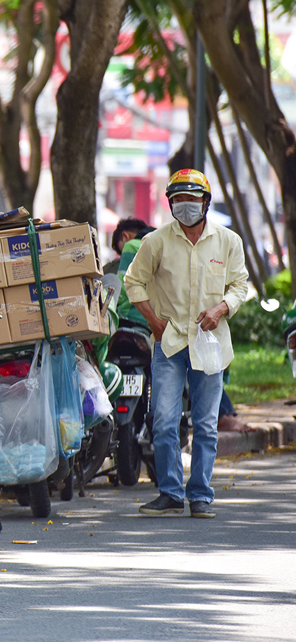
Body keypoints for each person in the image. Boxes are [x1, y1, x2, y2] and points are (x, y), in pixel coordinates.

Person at [124, 169, 249, 519]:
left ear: (205, 202)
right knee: (164, 421)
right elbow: (134, 283)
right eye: (178, 200)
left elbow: (240, 286)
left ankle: (200, 495)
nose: (186, 206)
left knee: (206, 425)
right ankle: (170, 493)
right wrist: (153, 321)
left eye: (192, 199)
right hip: (170, 344)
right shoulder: (156, 242)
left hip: (210, 345)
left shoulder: (228, 242)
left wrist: (222, 308)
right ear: (170, 203)